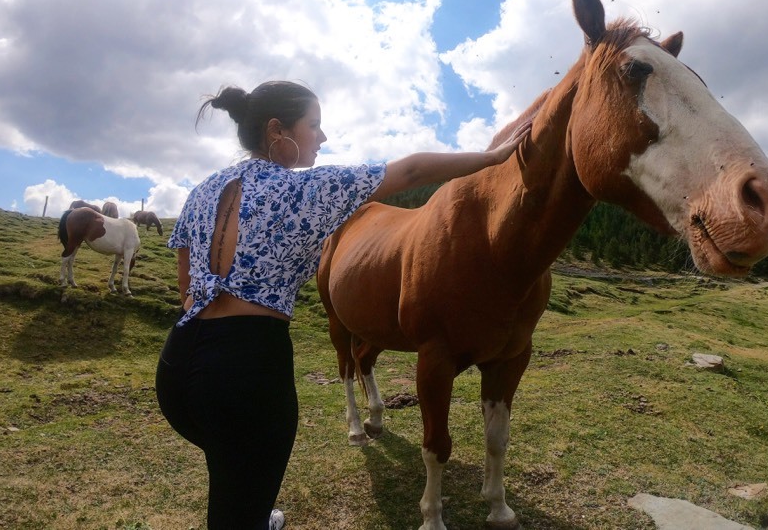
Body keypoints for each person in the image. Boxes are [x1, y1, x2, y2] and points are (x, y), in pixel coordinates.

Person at [155, 80, 531, 530]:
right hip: (248, 368)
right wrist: (493, 157)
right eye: (313, 125)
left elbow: (186, 286)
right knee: (241, 484)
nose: (322, 137)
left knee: (232, 471)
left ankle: (250, 513)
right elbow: (410, 172)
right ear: (278, 131)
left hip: (178, 363)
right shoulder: (306, 190)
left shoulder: (202, 191)